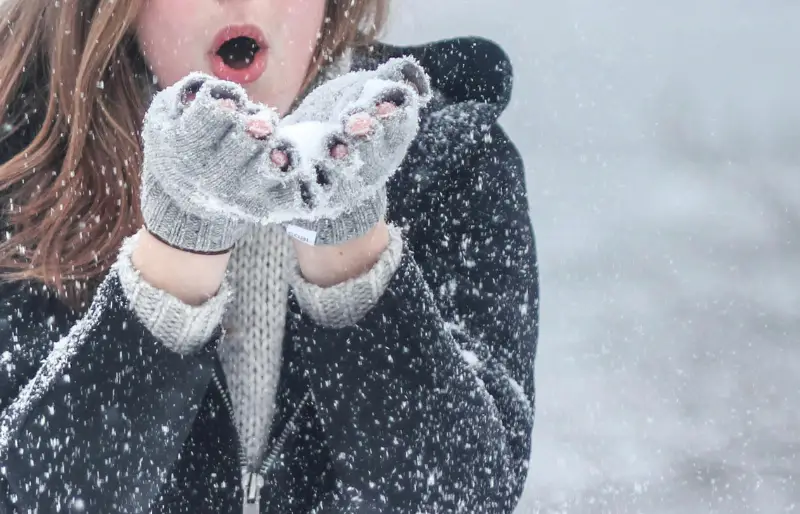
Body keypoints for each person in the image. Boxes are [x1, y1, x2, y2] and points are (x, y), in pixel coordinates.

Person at [0, 0, 538, 512]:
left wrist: (347, 239)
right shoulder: (20, 171)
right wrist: (179, 247)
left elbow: (466, 496)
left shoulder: (456, 163)